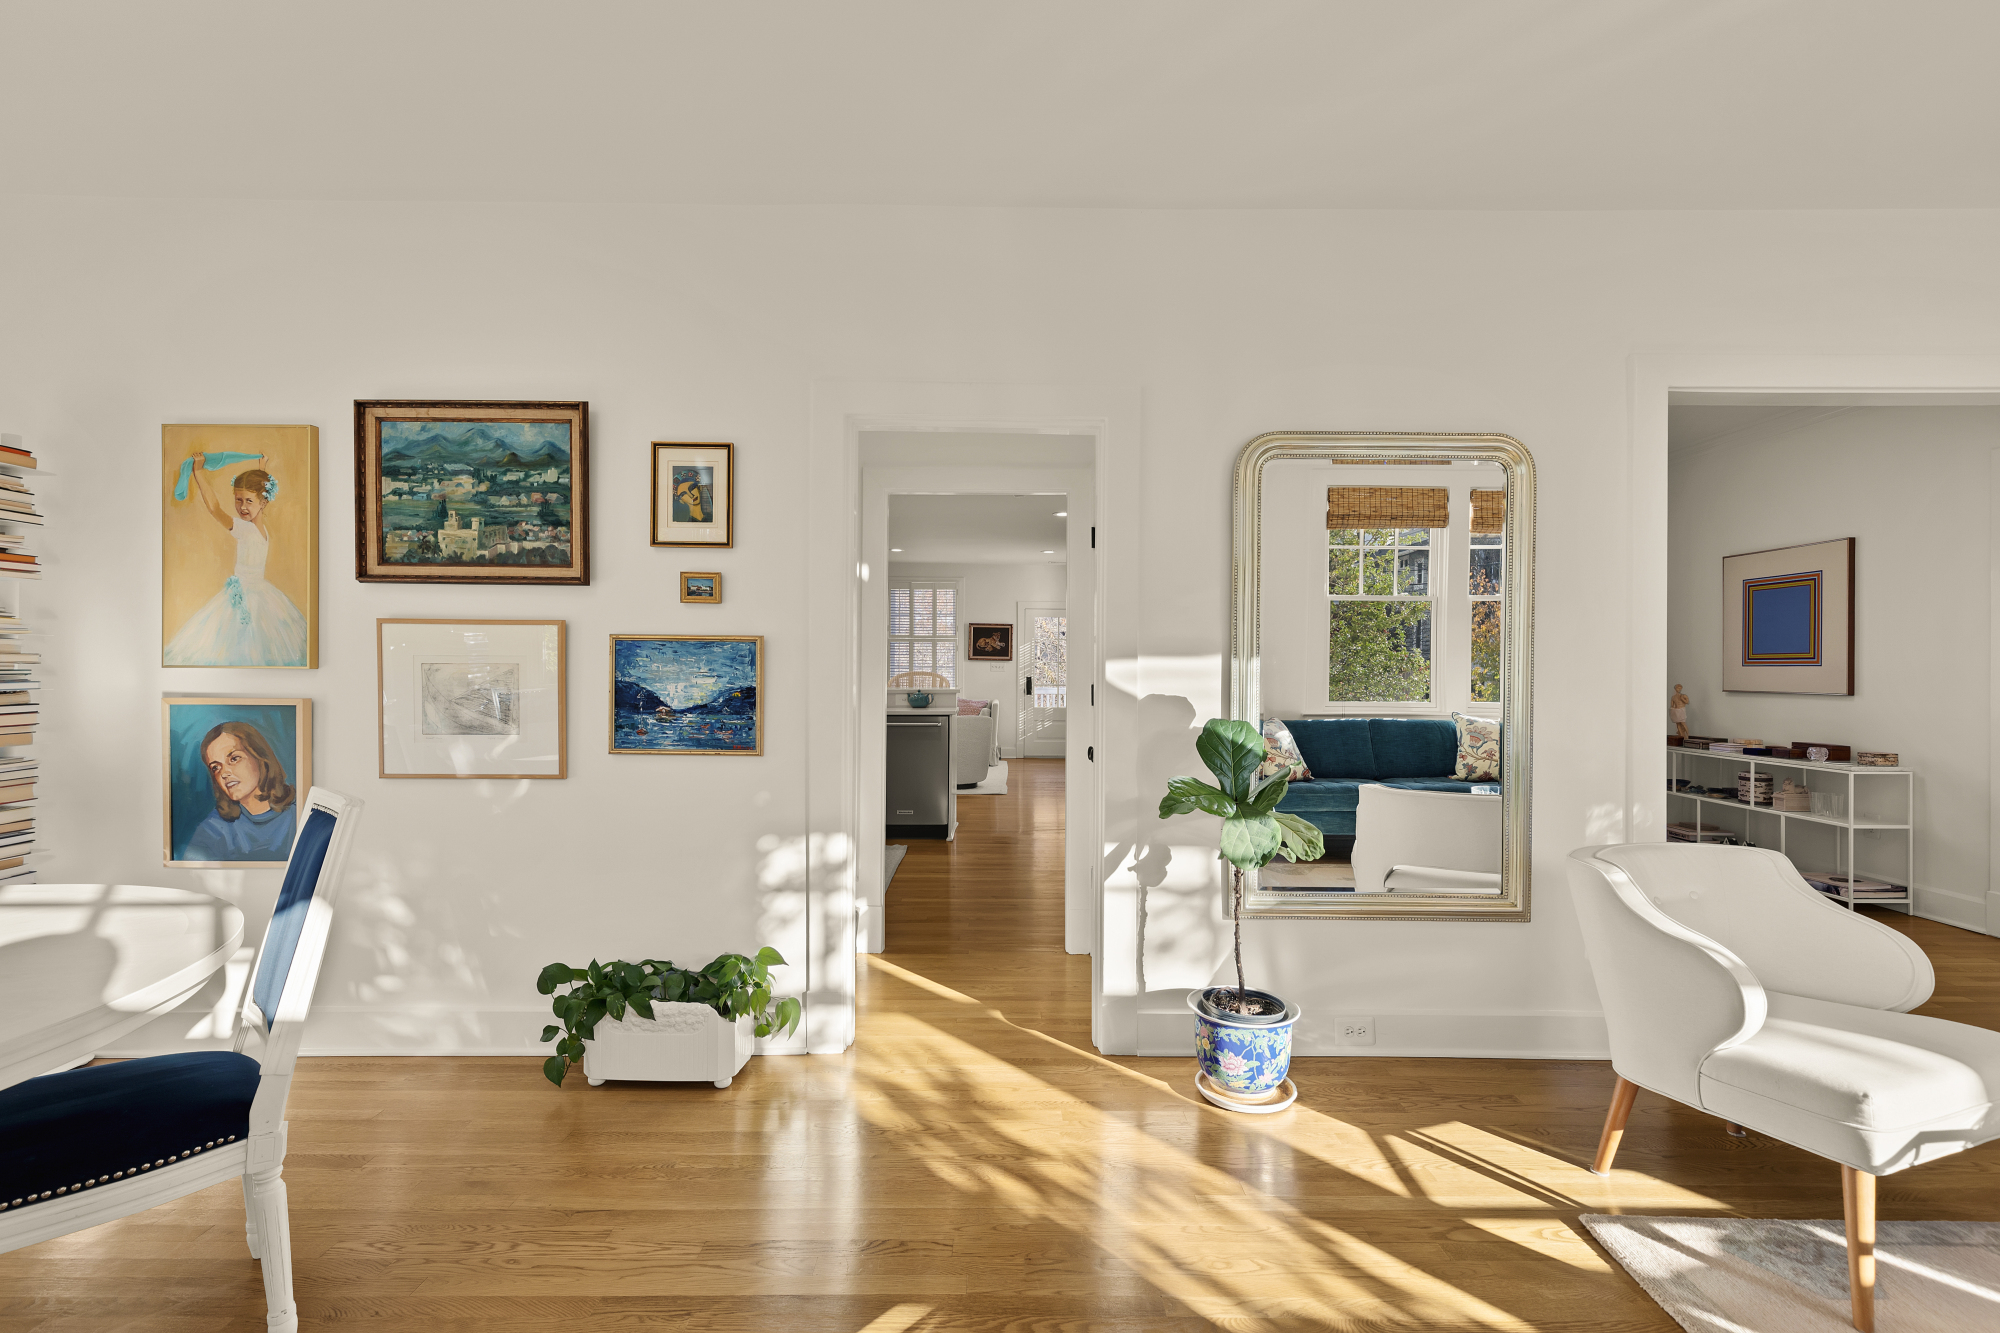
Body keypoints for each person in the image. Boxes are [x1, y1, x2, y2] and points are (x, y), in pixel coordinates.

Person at [164, 457, 309, 667]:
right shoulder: (258, 527)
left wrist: (199, 473)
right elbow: (257, 496)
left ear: (263, 502)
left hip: (251, 599)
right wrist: (262, 471)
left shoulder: (247, 530)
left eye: (248, 501)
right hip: (253, 595)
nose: (242, 507)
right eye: (238, 500)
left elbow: (214, 508)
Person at [184, 722, 297, 861]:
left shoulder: (299, 815)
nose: (224, 774)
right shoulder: (213, 830)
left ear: (260, 757)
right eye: (216, 767)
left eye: (234, 758)